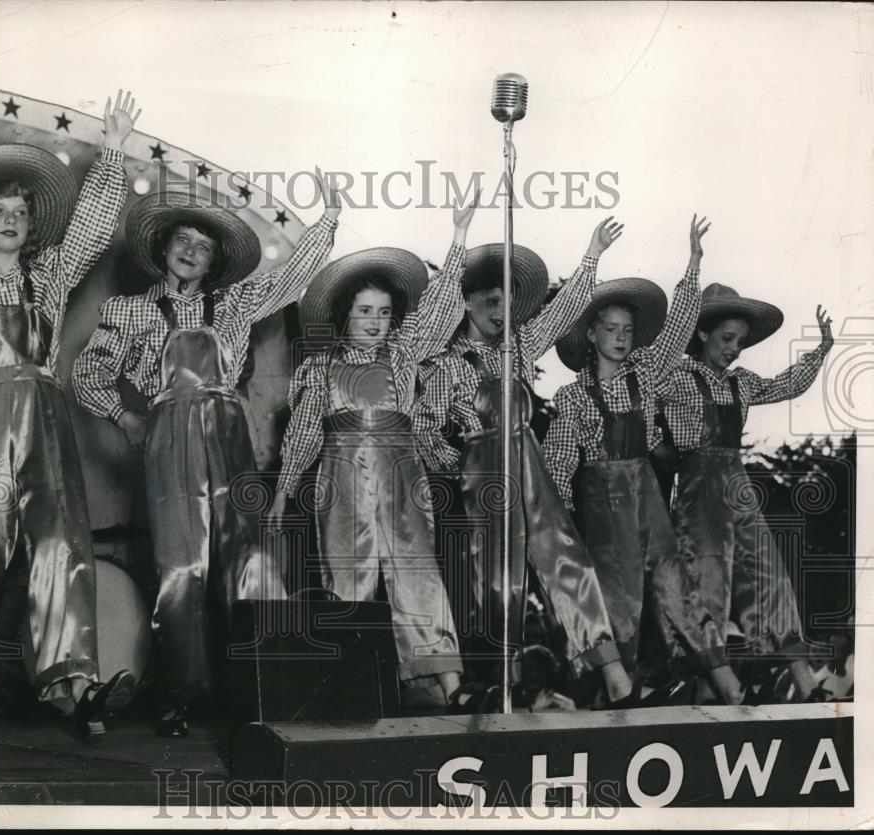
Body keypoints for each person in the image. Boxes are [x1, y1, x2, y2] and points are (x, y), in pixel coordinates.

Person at [72, 171, 340, 736]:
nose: (192, 252)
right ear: (163, 249)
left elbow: (292, 277)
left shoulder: (236, 304)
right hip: (169, 434)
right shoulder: (132, 311)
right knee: (181, 565)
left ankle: (266, 683)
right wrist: (127, 416)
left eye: (204, 245)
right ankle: (180, 695)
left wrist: (327, 223)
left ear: (214, 260)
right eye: (183, 241)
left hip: (230, 432)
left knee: (250, 556)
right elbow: (89, 372)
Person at [0, 91, 142, 741]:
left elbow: (93, 231)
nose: (11, 219)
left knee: (62, 542)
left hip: (44, 414)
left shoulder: (48, 278)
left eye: (20, 211)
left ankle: (74, 685)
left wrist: (114, 150)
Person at [414, 219, 639, 708]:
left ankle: (613, 670)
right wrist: (460, 464)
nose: (501, 312)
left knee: (567, 557)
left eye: (509, 302)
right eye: (491, 301)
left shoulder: (518, 351)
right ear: (466, 303)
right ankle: (503, 683)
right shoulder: (445, 363)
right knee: (497, 580)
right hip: (484, 474)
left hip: (529, 463)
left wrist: (592, 254)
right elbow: (425, 425)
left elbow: (562, 314)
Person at [267, 199, 479, 713]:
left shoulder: (404, 355)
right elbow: (300, 436)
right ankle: (354, 688)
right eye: (364, 311)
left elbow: (442, 309)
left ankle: (450, 684)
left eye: (384, 313)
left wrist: (458, 237)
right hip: (340, 480)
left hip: (401, 474)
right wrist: (281, 494)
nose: (375, 321)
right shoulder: (317, 370)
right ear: (343, 316)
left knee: (418, 571)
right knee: (348, 576)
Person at [544, 215, 751, 703]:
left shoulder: (648, 375)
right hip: (601, 499)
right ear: (591, 336)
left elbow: (679, 326)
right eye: (611, 329)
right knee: (621, 598)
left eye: (628, 330)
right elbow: (556, 464)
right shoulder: (572, 396)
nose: (621, 337)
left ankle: (724, 683)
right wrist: (563, 521)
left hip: (647, 494)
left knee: (676, 586)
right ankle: (616, 691)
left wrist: (693, 264)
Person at [659, 284, 835, 702]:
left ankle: (805, 683)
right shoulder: (677, 378)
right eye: (726, 339)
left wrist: (821, 350)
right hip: (699, 489)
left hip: (737, 484)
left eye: (740, 341)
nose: (735, 349)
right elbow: (642, 404)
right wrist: (657, 447)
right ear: (701, 334)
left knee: (770, 575)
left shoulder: (743, 383)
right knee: (708, 583)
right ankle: (719, 691)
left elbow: (785, 386)